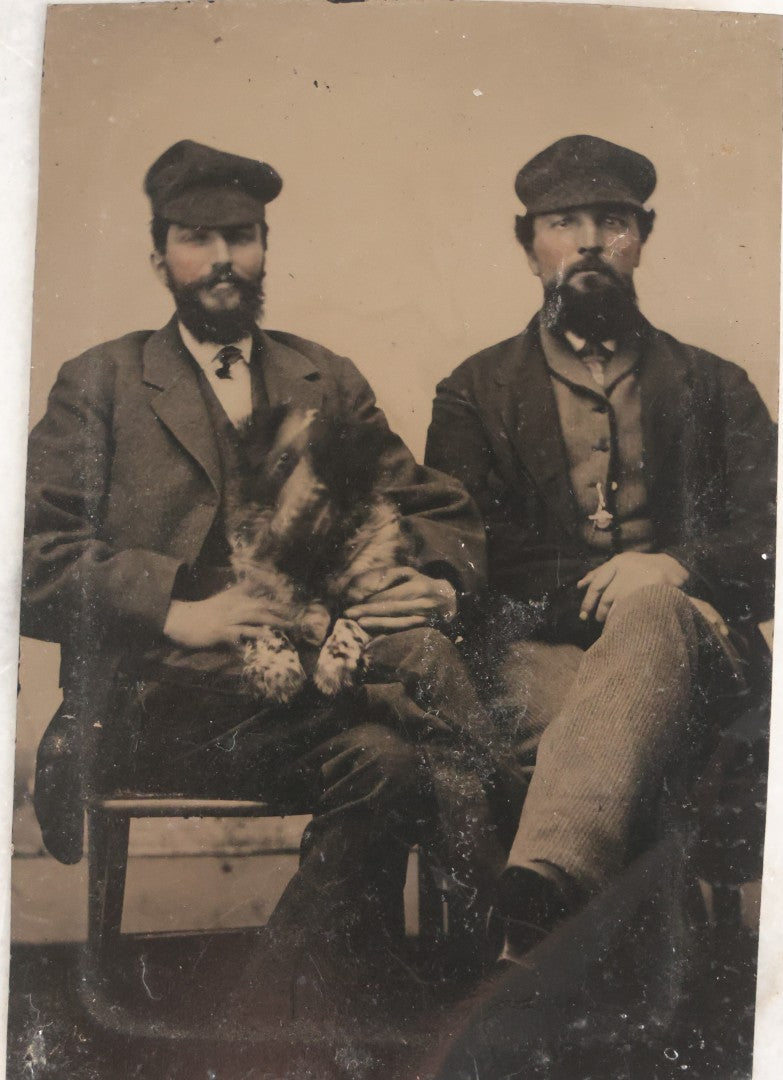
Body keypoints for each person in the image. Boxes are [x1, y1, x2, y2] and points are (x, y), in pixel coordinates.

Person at [21, 140, 509, 997]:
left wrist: (437, 578)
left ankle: (271, 1008)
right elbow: (29, 555)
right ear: (159, 257)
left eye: (240, 237)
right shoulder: (102, 383)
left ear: (263, 249)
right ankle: (511, 926)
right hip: (159, 707)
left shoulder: (323, 377)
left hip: (308, 701)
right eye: (196, 238)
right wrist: (177, 608)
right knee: (431, 683)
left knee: (389, 767)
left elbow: (434, 506)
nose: (222, 259)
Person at [425, 134, 776, 958]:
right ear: (528, 246)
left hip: (702, 649)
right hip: (537, 649)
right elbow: (471, 548)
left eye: (611, 222)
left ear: (641, 238)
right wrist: (598, 592)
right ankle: (615, 954)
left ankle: (536, 903)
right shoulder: (473, 391)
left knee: (650, 610)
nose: (588, 243)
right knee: (591, 728)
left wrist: (674, 567)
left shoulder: (715, 385)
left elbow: (771, 534)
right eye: (563, 223)